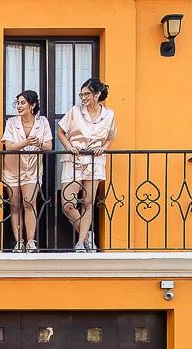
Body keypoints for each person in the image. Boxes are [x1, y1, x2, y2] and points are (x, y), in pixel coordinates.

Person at [56, 78, 117, 253]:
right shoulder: (75, 111)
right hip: (74, 159)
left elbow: (111, 136)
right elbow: (61, 131)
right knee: (68, 204)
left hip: (95, 161)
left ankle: (81, 242)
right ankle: (88, 234)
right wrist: (69, 147)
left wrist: (103, 148)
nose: (83, 97)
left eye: (87, 94)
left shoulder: (109, 115)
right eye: (81, 94)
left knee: (88, 203)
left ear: (97, 94)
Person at [1, 90, 52, 252]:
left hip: (32, 168)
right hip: (12, 168)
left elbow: (48, 146)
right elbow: (8, 146)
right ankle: (19, 241)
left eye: (23, 103)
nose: (19, 106)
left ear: (33, 105)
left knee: (29, 203)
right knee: (15, 206)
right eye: (18, 103)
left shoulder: (42, 122)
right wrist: (26, 142)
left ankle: (30, 241)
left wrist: (38, 144)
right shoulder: (11, 122)